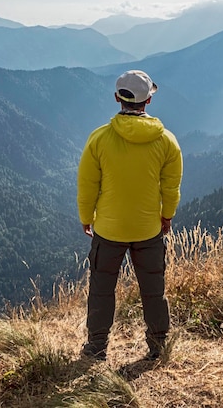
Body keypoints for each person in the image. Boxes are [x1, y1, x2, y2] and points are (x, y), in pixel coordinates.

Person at [77, 69, 183, 361]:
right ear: (148, 101)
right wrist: (167, 215)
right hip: (149, 228)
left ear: (117, 98)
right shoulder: (167, 142)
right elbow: (170, 187)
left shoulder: (98, 139)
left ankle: (96, 348)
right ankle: (158, 346)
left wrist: (86, 217)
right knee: (153, 290)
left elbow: (88, 186)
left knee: (101, 290)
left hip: (108, 230)